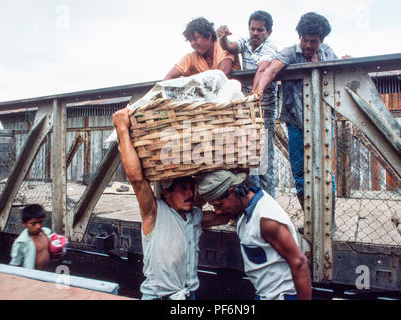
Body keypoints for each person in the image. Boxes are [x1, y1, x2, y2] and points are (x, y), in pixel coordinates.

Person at [112, 108, 230, 300]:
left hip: (188, 296)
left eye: (191, 187)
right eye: (182, 188)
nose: (190, 193)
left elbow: (225, 214)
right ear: (166, 193)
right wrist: (122, 129)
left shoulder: (195, 216)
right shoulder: (155, 213)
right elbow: (136, 179)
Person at [254, 12, 338, 209]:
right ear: (299, 36)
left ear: (321, 40)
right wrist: (258, 93)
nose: (308, 45)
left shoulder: (327, 53)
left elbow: (343, 73)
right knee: (300, 172)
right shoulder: (290, 53)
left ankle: (329, 218)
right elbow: (271, 71)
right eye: (305, 40)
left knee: (325, 171)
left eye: (314, 41)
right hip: (295, 122)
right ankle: (309, 218)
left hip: (323, 121)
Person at [197, 170, 312, 300]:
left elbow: (299, 263)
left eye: (218, 205)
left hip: (281, 296)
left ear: (232, 192)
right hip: (265, 294)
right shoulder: (247, 203)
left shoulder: (267, 221)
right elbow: (218, 218)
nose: (217, 211)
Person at [216, 10, 279, 197]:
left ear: (268, 32)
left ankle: (270, 206)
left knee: (265, 162)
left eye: (260, 30)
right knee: (251, 159)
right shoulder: (246, 42)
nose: (255, 33)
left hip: (264, 109)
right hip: (248, 110)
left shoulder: (270, 46)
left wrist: (253, 95)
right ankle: (256, 204)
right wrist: (222, 38)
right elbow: (231, 46)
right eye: (253, 29)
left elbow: (262, 68)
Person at [164, 17, 241, 80]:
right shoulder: (190, 58)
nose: (192, 43)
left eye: (195, 38)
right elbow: (168, 78)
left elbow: (223, 74)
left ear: (208, 36)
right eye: (190, 40)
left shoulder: (223, 46)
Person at [9, 204, 53, 270]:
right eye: (33, 223)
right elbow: (14, 265)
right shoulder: (21, 243)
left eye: (40, 222)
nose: (38, 226)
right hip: (31, 277)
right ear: (23, 223)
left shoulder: (46, 233)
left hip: (46, 273)